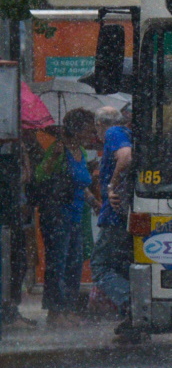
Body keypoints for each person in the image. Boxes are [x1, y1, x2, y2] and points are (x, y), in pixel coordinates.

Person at [35, 108, 98, 325]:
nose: (92, 134)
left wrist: (94, 202)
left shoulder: (80, 149)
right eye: (89, 129)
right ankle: (55, 311)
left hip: (76, 215)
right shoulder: (58, 149)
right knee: (57, 263)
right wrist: (53, 157)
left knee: (74, 264)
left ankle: (68, 308)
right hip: (57, 214)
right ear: (78, 128)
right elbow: (40, 176)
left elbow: (82, 185)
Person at [91, 104, 137, 336]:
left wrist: (112, 183)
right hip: (127, 213)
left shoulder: (114, 133)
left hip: (115, 215)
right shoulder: (128, 133)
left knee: (100, 266)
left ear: (100, 124)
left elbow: (126, 157)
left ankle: (133, 304)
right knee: (124, 267)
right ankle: (133, 322)